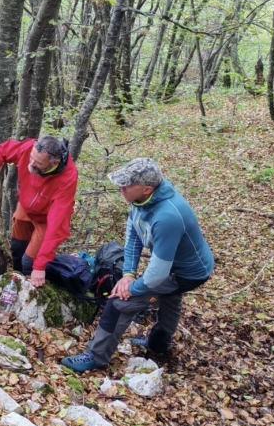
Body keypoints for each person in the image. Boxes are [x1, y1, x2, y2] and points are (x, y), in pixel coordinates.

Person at [61, 158, 214, 372]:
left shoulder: (167, 216)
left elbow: (157, 274)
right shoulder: (142, 201)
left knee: (120, 303)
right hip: (172, 266)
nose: (121, 188)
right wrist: (128, 274)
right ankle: (159, 344)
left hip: (188, 273)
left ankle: (96, 357)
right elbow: (133, 237)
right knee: (169, 298)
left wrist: (130, 290)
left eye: (126, 184)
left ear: (147, 188)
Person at [0, 135, 78, 288]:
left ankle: (29, 290)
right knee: (17, 248)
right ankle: (15, 283)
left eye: (38, 162)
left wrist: (40, 266)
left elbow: (57, 225)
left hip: (46, 219)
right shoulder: (29, 148)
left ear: (54, 163)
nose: (31, 163)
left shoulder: (67, 178)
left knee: (30, 261)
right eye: (31, 158)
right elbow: (3, 152)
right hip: (27, 207)